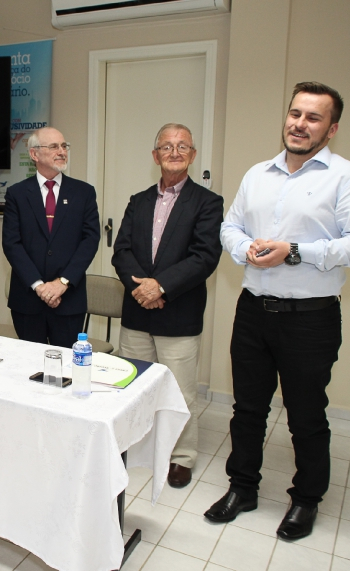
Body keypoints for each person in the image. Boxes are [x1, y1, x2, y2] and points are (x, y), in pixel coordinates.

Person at [206, 82, 350, 540]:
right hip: (253, 312)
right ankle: (242, 488)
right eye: (295, 113)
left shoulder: (347, 178)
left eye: (313, 117)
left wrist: (296, 251)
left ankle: (305, 500)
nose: (300, 124)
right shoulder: (257, 175)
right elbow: (230, 226)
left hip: (310, 319)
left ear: (332, 129)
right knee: (247, 410)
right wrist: (245, 248)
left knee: (306, 415)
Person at [112, 123, 223, 488]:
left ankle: (181, 456)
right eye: (166, 146)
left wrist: (159, 287)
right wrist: (142, 288)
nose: (174, 152)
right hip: (137, 313)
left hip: (179, 312)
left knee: (180, 391)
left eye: (182, 146)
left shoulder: (207, 203)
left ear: (192, 155)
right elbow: (121, 251)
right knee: (134, 386)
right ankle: (135, 445)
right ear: (155, 155)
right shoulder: (138, 201)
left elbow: (204, 257)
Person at [2, 127, 100, 348]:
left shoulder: (84, 192)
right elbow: (11, 244)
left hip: (69, 299)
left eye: (64, 146)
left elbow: (90, 240)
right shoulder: (17, 194)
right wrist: (39, 286)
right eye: (54, 146)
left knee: (66, 364)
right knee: (30, 363)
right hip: (27, 300)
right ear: (34, 154)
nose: (62, 151)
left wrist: (62, 283)